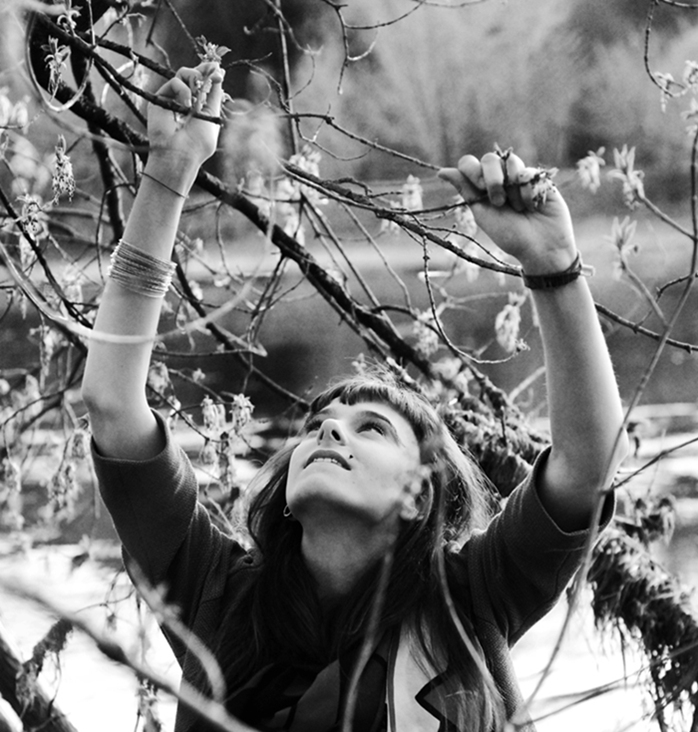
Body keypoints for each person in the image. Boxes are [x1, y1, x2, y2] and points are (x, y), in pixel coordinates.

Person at [81, 61, 628, 732]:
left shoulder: (473, 598)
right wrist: (168, 175)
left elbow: (588, 465)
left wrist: (553, 266)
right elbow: (113, 402)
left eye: (372, 428)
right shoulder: (212, 592)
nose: (328, 431)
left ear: (419, 495)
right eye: (317, 425)